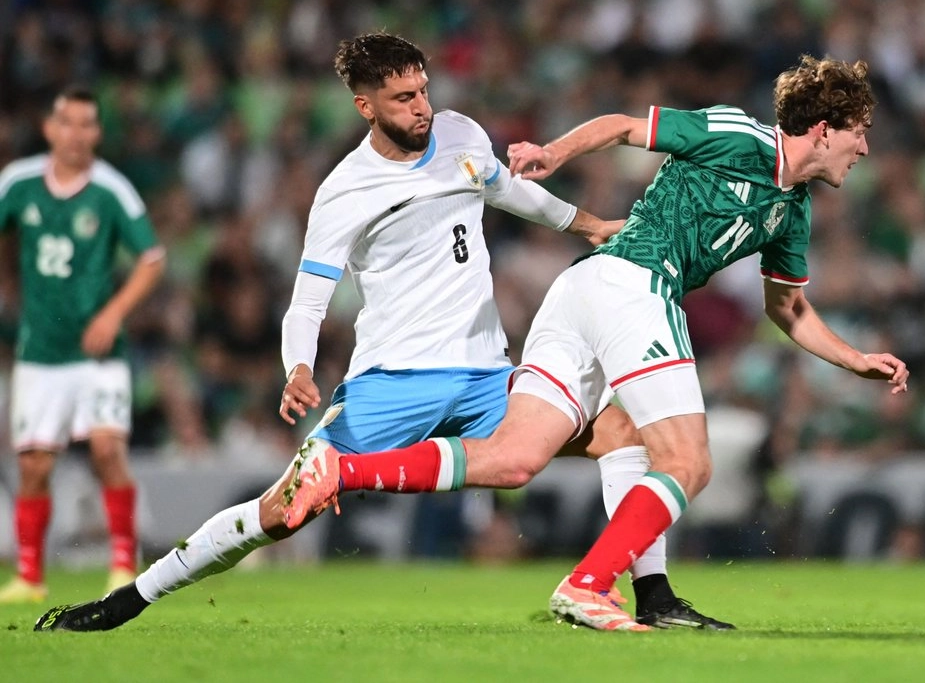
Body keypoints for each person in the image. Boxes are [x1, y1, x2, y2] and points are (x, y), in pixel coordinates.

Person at [35, 33, 728, 632]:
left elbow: (508, 190)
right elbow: (308, 300)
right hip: (393, 380)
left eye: (423, 90)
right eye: (402, 98)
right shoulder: (344, 190)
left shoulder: (459, 132)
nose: (421, 106)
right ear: (365, 105)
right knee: (282, 512)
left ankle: (653, 592)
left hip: (489, 374)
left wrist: (588, 223)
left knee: (628, 433)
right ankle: (132, 596)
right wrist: (298, 367)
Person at [280, 54, 910, 631]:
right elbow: (623, 126)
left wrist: (854, 360)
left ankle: (340, 469)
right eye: (860, 130)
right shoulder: (740, 136)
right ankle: (588, 583)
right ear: (825, 128)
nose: (865, 146)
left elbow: (789, 308)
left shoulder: (793, 210)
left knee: (518, 458)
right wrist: (553, 154)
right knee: (688, 462)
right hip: (634, 281)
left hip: (581, 293)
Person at [0, 87, 166, 604]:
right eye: (67, 123)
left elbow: (153, 259)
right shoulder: (19, 183)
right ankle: (29, 575)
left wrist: (112, 313)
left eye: (88, 124)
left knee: (106, 449)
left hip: (100, 354)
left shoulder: (111, 189)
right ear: (51, 129)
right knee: (34, 465)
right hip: (41, 351)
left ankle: (123, 563)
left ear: (97, 132)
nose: (77, 133)